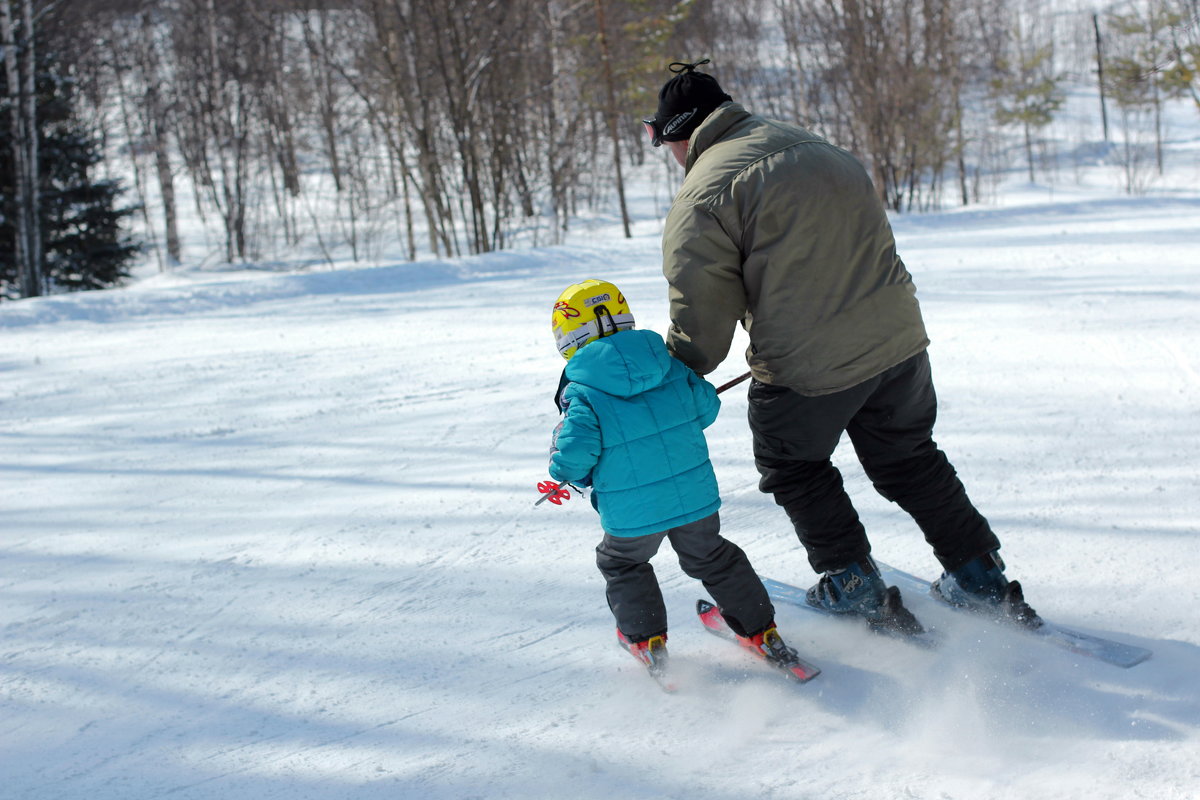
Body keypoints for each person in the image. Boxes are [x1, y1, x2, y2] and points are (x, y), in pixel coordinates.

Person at [641, 59, 1040, 632]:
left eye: (664, 143)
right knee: (909, 456)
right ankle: (980, 575)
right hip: (898, 342)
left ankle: (852, 583)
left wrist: (681, 373)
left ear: (680, 135)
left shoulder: (706, 193)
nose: (671, 157)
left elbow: (702, 317)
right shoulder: (816, 146)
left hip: (808, 367)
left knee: (793, 464)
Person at [547, 278, 810, 683]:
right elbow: (705, 408)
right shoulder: (666, 362)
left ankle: (646, 639)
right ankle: (761, 631)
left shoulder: (582, 389)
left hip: (632, 511)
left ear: (569, 335)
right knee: (712, 557)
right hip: (694, 498)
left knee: (623, 562)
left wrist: (563, 471)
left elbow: (577, 451)